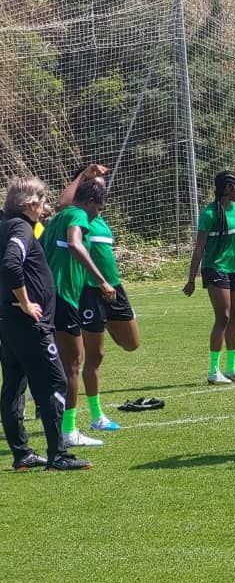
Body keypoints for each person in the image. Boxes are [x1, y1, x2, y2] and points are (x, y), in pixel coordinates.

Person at [1, 177, 91, 471]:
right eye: (41, 200)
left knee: (14, 385)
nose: (45, 206)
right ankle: (59, 455)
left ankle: (22, 454)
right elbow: (11, 264)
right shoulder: (20, 228)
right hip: (29, 324)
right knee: (55, 381)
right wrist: (26, 302)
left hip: (10, 322)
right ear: (29, 204)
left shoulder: (7, 226)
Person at [58, 166, 140, 433]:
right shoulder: (79, 215)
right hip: (90, 291)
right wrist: (83, 176)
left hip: (114, 289)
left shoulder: (99, 217)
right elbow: (62, 204)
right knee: (94, 357)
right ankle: (96, 416)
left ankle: (96, 326)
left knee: (132, 343)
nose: (101, 189)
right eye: (95, 185)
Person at [41, 177, 115, 447]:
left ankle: (57, 422)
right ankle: (68, 431)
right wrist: (101, 279)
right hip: (62, 297)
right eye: (99, 208)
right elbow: (75, 243)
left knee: (62, 363)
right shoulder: (78, 215)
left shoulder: (57, 218)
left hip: (51, 296)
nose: (97, 214)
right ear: (91, 202)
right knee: (73, 364)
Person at [183, 171, 235, 384]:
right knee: (223, 317)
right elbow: (199, 248)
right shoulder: (210, 214)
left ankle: (231, 368)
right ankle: (213, 371)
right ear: (228, 188)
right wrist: (192, 279)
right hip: (215, 269)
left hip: (234, 270)